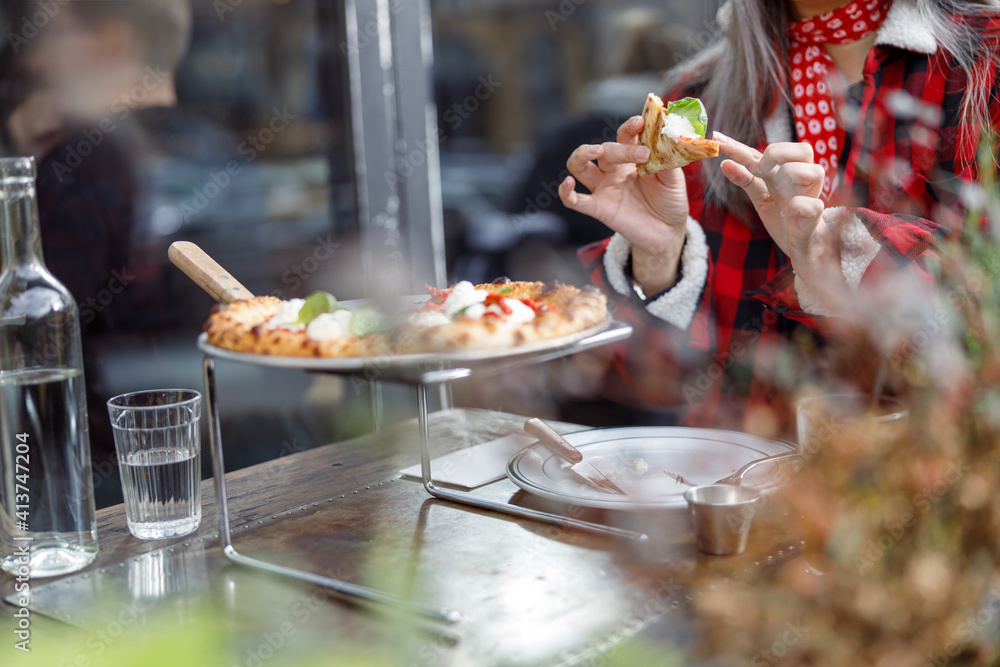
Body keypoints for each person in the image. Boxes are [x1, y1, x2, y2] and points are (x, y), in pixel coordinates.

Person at [559, 0, 1000, 433]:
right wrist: (658, 258)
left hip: (927, 486)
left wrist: (840, 256)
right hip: (738, 484)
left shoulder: (988, 62)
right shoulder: (693, 100)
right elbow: (660, 386)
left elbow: (982, 351)